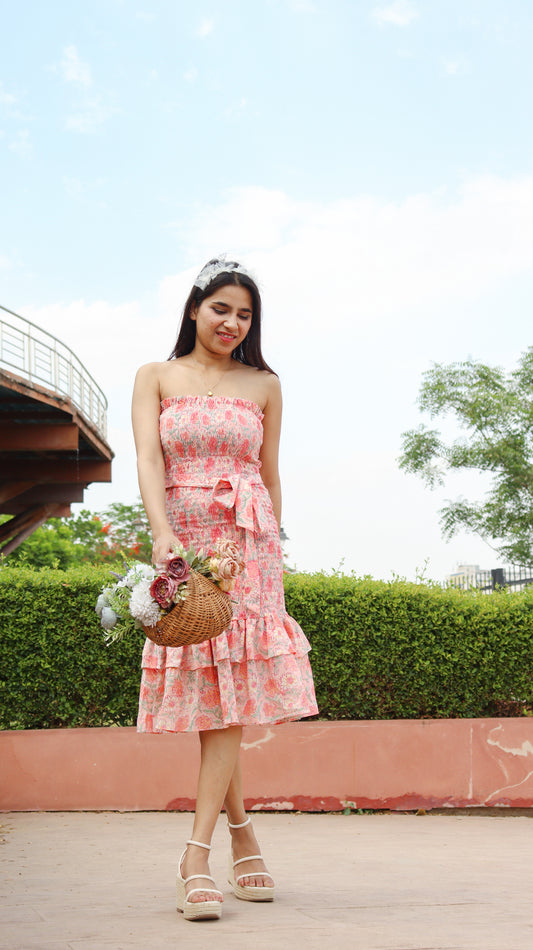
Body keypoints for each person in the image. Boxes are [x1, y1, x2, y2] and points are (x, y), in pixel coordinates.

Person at [132, 257, 318, 921]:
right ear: (193, 308)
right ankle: (242, 836)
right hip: (183, 538)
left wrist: (268, 555)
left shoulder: (265, 384)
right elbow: (149, 458)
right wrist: (161, 533)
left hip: (248, 545)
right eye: (221, 309)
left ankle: (196, 855)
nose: (232, 323)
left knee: (231, 692)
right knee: (214, 695)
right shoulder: (155, 376)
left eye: (244, 314)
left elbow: (269, 472)